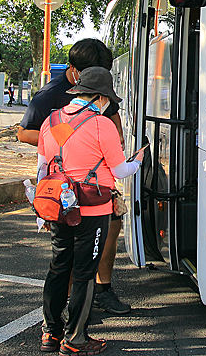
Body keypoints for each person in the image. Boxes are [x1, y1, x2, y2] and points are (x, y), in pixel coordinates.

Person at [18, 38, 128, 314]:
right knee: (69, 256)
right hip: (64, 185)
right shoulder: (49, 95)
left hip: (99, 184)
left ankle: (103, 289)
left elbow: (112, 121)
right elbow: (25, 133)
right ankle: (72, 312)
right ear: (74, 71)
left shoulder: (101, 95)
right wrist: (74, 135)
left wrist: (112, 138)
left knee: (109, 232)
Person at [38, 66, 141, 355]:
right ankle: (75, 339)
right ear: (100, 97)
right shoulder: (101, 125)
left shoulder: (52, 120)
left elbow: (43, 167)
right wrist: (138, 162)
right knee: (84, 272)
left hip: (58, 204)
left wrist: (40, 214)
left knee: (59, 266)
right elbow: (120, 170)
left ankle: (51, 332)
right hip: (91, 209)